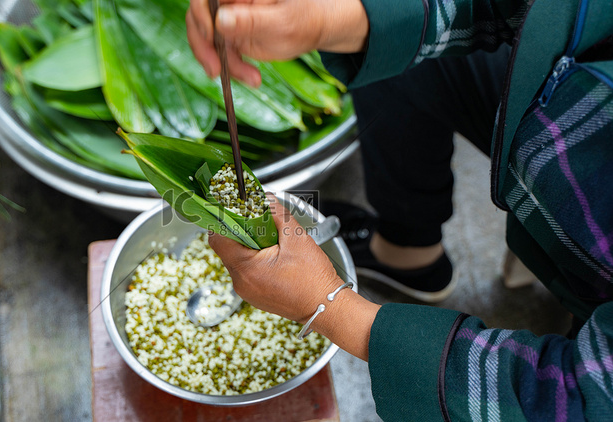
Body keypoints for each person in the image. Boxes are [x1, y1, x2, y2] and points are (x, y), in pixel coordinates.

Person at [187, 0, 613, 420]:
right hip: (579, 104)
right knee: (397, 58)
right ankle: (408, 257)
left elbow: (571, 403)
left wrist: (329, 306)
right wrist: (345, 19)